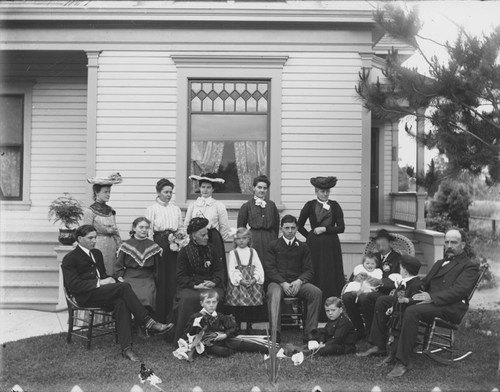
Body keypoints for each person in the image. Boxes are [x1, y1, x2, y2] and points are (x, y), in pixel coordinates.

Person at [357, 229, 479, 378]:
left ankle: (402, 361)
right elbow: (424, 284)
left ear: (463, 244)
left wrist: (431, 297)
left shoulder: (469, 265)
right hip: (428, 300)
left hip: (448, 307)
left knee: (411, 311)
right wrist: (403, 290)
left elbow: (459, 291)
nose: (449, 245)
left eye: (454, 242)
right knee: (383, 301)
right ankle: (379, 345)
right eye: (447, 242)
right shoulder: (440, 262)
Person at [61, 225, 171, 361]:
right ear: (79, 239)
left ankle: (127, 349)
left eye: (95, 237)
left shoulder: (96, 253)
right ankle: (147, 321)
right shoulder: (70, 258)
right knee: (123, 287)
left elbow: (102, 275)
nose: (94, 241)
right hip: (85, 296)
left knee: (121, 302)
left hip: (100, 293)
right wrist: (100, 283)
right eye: (90, 238)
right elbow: (74, 286)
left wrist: (112, 279)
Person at [263, 214, 322, 342]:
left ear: (297, 228)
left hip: (297, 284)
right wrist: (283, 282)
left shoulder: (303, 247)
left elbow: (309, 270)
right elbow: (270, 269)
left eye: (293, 228)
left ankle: (310, 332)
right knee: (274, 294)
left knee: (316, 293)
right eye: (287, 228)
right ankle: (275, 333)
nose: (290, 231)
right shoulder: (273, 246)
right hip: (278, 283)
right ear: (281, 229)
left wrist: (299, 281)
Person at [298, 176, 345, 321]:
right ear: (316, 191)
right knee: (316, 274)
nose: (325, 194)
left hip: (331, 246)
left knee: (330, 275)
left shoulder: (335, 205)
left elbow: (341, 228)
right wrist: (310, 236)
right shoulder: (310, 205)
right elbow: (299, 225)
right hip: (315, 246)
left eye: (327, 191)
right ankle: (315, 314)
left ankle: (333, 313)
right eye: (322, 191)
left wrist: (325, 229)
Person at [172, 217, 225, 343]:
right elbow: (180, 276)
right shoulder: (184, 252)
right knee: (188, 299)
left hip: (211, 284)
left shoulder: (213, 249)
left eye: (207, 234)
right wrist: (195, 285)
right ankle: (185, 339)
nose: (207, 237)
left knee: (215, 296)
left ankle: (213, 337)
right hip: (191, 286)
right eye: (203, 235)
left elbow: (219, 270)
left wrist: (214, 282)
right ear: (194, 236)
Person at [175, 289, 268, 360]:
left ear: (217, 303)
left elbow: (233, 328)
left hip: (223, 339)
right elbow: (188, 333)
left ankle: (270, 350)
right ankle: (233, 350)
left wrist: (225, 335)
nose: (211, 305)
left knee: (240, 343)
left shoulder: (220, 316)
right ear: (202, 303)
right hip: (208, 344)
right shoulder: (197, 317)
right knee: (223, 352)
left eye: (214, 302)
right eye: (208, 302)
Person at [343, 229, 402, 339]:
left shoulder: (398, 259)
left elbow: (399, 280)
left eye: (383, 243)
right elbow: (358, 271)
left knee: (363, 298)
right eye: (378, 243)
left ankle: (370, 331)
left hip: (384, 292)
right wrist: (357, 277)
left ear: (390, 243)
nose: (380, 245)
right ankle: (359, 329)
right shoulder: (373, 257)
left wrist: (380, 282)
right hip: (365, 287)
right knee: (347, 297)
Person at [145, 178, 183, 323]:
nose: (168, 195)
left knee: (173, 279)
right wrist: (153, 248)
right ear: (158, 192)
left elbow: (180, 228)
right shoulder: (152, 209)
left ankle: (172, 316)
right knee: (161, 280)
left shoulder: (175, 209)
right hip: (159, 244)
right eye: (165, 192)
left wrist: (179, 241)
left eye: (170, 192)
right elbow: (149, 231)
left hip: (174, 245)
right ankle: (158, 317)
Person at [185, 173, 231, 278]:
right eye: (203, 187)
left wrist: (219, 240)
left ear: (213, 189)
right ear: (200, 188)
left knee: (213, 263)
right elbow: (187, 223)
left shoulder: (218, 205)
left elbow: (224, 225)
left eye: (208, 187)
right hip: (196, 238)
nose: (205, 190)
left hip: (212, 237)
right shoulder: (193, 205)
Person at [115, 217, 162, 314]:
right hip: (130, 277)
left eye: (146, 227)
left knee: (147, 296)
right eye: (141, 227)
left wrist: (156, 281)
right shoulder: (126, 245)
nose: (144, 230)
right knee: (132, 295)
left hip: (147, 278)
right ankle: (132, 324)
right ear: (134, 228)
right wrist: (120, 277)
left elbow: (157, 268)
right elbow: (118, 265)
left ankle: (143, 325)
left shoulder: (153, 246)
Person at [225, 227, 265, 334]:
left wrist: (255, 279)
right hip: (239, 284)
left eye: (244, 238)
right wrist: (240, 280)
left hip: (251, 282)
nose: (241, 241)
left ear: (249, 239)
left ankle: (249, 326)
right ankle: (237, 326)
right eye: (238, 239)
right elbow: (232, 269)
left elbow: (258, 267)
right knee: (238, 307)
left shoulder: (253, 252)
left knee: (250, 307)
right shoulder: (233, 253)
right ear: (235, 240)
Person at [83, 172, 123, 275]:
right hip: (97, 246)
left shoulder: (111, 210)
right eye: (105, 192)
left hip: (111, 247)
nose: (108, 195)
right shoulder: (90, 211)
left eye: (109, 192)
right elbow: (85, 233)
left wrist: (120, 247)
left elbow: (116, 231)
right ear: (97, 192)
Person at [288, 297, 356, 357]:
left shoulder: (343, 322)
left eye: (333, 310)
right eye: (327, 311)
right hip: (331, 340)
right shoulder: (332, 319)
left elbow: (338, 338)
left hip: (343, 345)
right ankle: (303, 348)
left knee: (330, 348)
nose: (330, 313)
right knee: (316, 334)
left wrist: (325, 344)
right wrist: (321, 341)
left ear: (341, 310)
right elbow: (325, 331)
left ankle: (308, 352)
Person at [237, 175, 280, 262]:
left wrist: (274, 238)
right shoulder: (247, 206)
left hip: (270, 238)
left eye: (265, 188)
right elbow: (241, 227)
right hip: (254, 239)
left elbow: (276, 225)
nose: (262, 190)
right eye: (259, 187)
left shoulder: (271, 205)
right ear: (254, 188)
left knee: (270, 263)